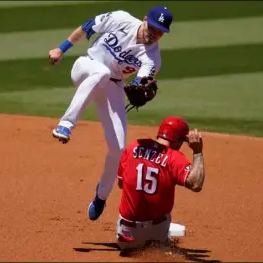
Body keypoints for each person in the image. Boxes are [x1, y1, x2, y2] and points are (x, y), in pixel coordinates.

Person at [48, 5, 174, 221]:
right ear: (144, 19)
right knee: (102, 72)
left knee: (118, 148)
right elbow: (88, 27)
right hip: (86, 67)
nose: (154, 33)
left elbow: (140, 81)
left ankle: (100, 196)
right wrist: (61, 48)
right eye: (152, 27)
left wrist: (140, 85)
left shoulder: (152, 58)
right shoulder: (120, 18)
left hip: (112, 86)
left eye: (160, 31)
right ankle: (66, 124)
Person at [115, 116, 206, 252]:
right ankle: (159, 244)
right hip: (156, 233)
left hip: (127, 236)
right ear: (180, 140)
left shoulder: (133, 147)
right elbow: (196, 184)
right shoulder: (174, 157)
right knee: (162, 234)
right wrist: (198, 152)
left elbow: (121, 184)